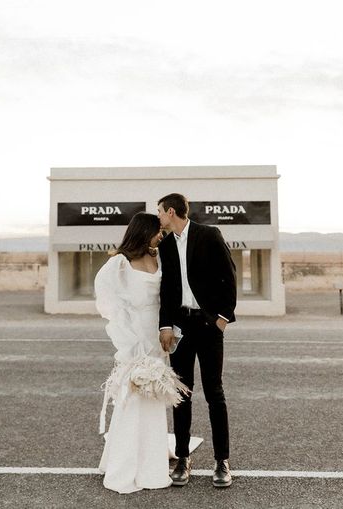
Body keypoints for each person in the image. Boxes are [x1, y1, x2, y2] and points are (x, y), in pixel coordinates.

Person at [95, 212, 188, 494]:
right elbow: (109, 304)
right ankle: (126, 464)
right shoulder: (119, 263)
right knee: (134, 396)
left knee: (155, 396)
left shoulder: (158, 257)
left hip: (157, 334)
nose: (161, 235)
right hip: (135, 336)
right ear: (143, 231)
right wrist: (129, 341)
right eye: (157, 230)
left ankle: (153, 461)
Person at [158, 193, 237, 488]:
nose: (159, 218)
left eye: (160, 212)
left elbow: (229, 276)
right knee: (182, 394)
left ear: (170, 211)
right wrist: (165, 325)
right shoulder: (165, 245)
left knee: (214, 393)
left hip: (209, 324)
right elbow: (166, 289)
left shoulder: (209, 235)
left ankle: (221, 461)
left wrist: (222, 318)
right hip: (180, 326)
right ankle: (182, 458)